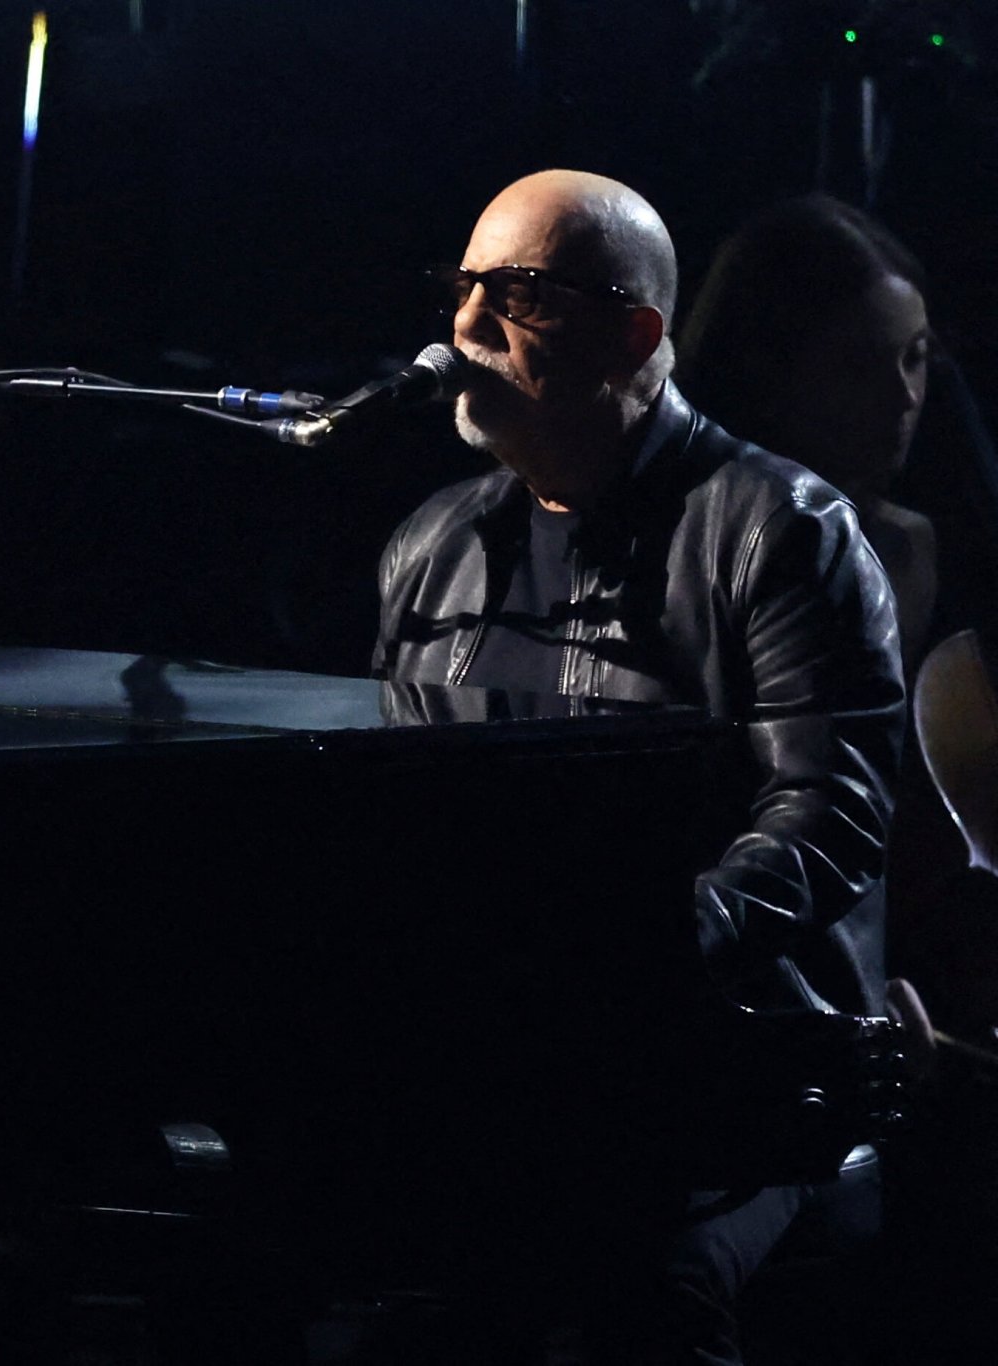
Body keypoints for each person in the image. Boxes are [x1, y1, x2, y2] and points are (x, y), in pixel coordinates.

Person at [369, 169, 905, 1363]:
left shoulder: (779, 529)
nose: (463, 327)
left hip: (746, 1076)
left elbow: (826, 817)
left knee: (639, 1277)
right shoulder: (429, 548)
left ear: (634, 333)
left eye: (516, 295)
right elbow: (386, 809)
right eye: (461, 290)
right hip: (509, 1064)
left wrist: (643, 948)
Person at [675, 195, 937, 665]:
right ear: (768, 372)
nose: (905, 397)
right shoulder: (688, 550)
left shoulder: (904, 547)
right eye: (858, 367)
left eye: (914, 358)